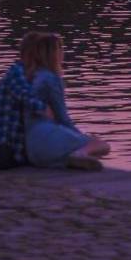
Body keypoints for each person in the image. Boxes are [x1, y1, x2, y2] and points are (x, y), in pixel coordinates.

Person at [24, 32, 110, 170]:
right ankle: (80, 154)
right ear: (55, 54)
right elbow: (63, 119)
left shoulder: (27, 77)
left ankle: (69, 157)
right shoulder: (51, 79)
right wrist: (82, 138)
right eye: (60, 49)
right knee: (100, 145)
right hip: (44, 139)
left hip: (29, 147)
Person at [0, 31, 49, 165]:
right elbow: (32, 102)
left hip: (14, 146)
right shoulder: (17, 72)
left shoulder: (27, 74)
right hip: (10, 149)